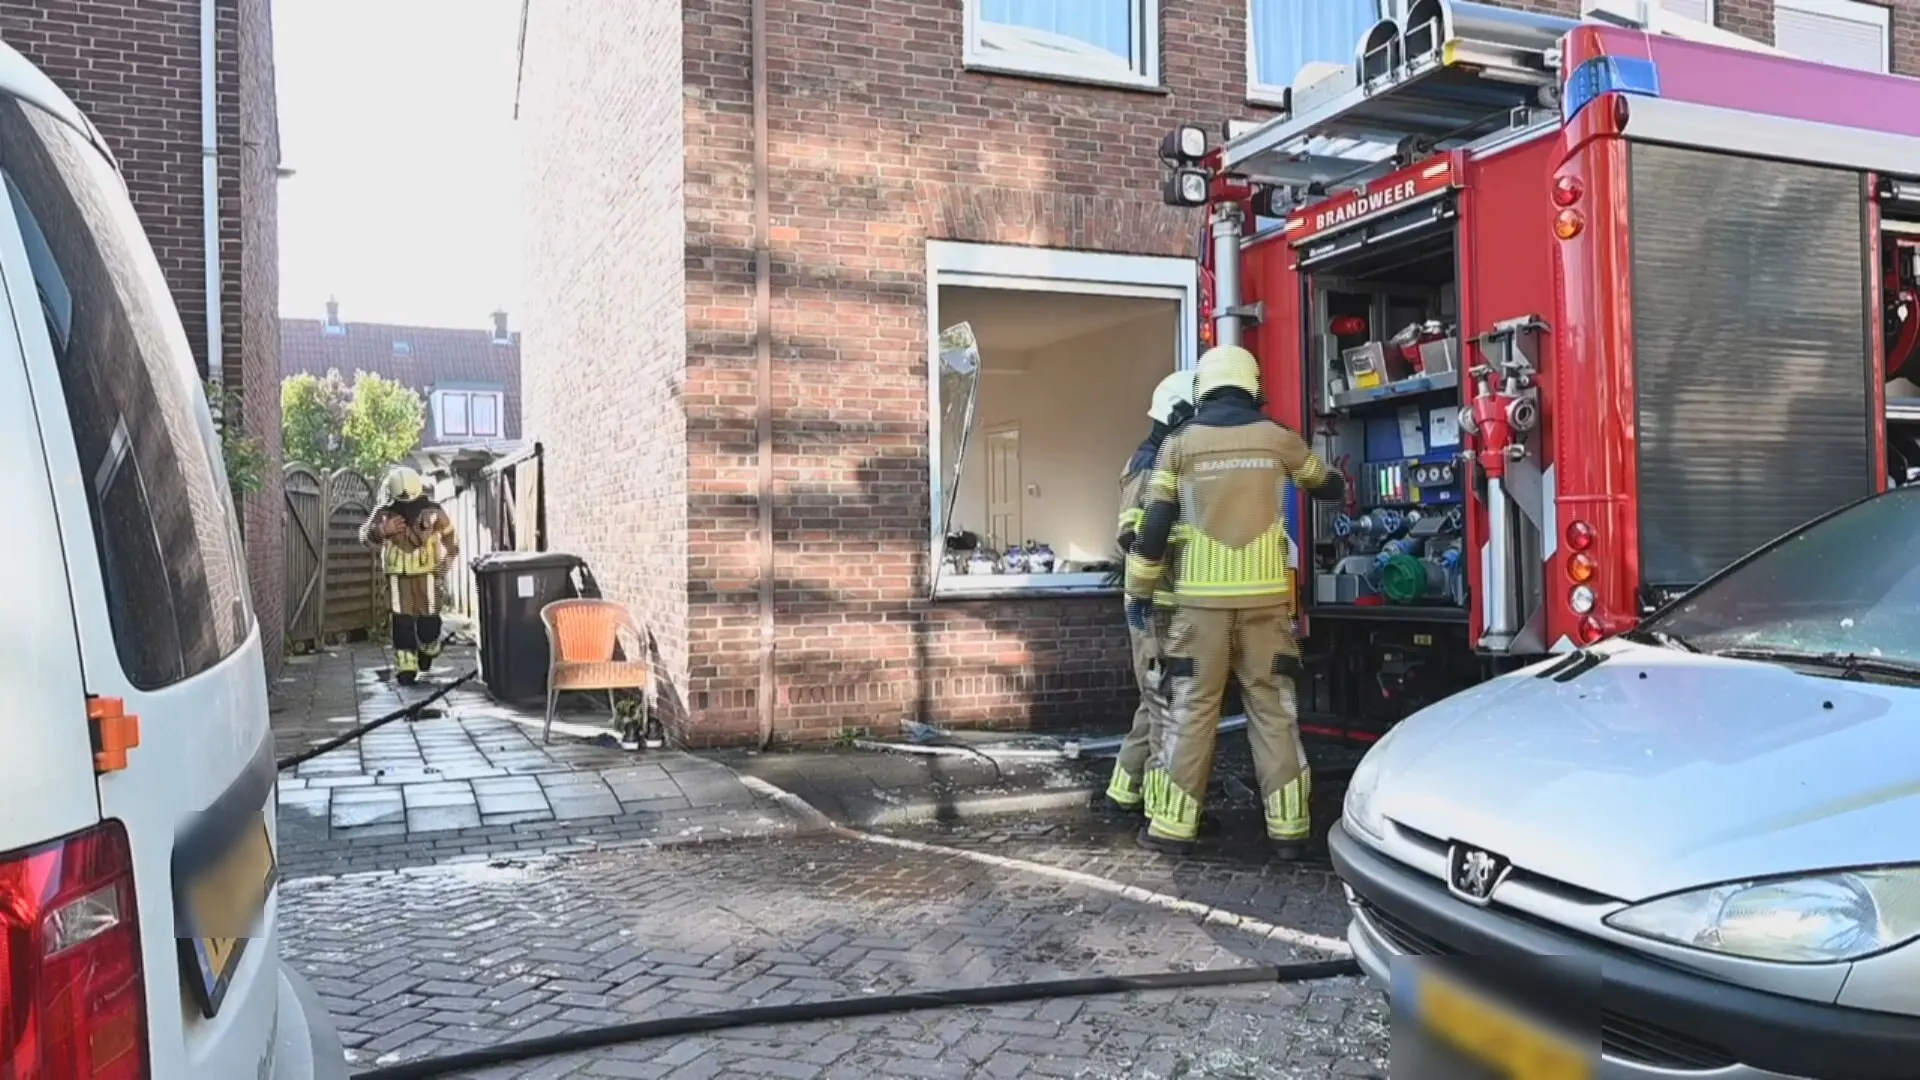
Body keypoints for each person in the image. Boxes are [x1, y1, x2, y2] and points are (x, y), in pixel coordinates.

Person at [1124, 344, 1346, 859]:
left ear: (1203, 388)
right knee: (1274, 710)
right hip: (1267, 606)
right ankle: (1289, 831)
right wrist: (1331, 477)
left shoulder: (1179, 445)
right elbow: (1325, 486)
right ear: (1252, 385)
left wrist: (1139, 590)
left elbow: (1155, 524)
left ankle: (1172, 830)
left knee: (1191, 711)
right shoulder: (1278, 439)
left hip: (1199, 609)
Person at [1103, 369, 1197, 818]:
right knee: (1168, 707)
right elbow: (1134, 538)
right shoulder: (1155, 464)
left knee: (1152, 701)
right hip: (1158, 605)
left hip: (1155, 603)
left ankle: (1124, 791)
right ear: (1180, 413)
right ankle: (1165, 813)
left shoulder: (1157, 457)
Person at [361, 466, 460, 685]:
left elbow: (452, 540)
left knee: (429, 623)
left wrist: (442, 570)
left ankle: (427, 650)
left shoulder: (433, 512)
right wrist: (381, 532)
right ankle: (406, 665)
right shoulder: (383, 512)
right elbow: (363, 536)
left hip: (427, 576)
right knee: (401, 620)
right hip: (397, 577)